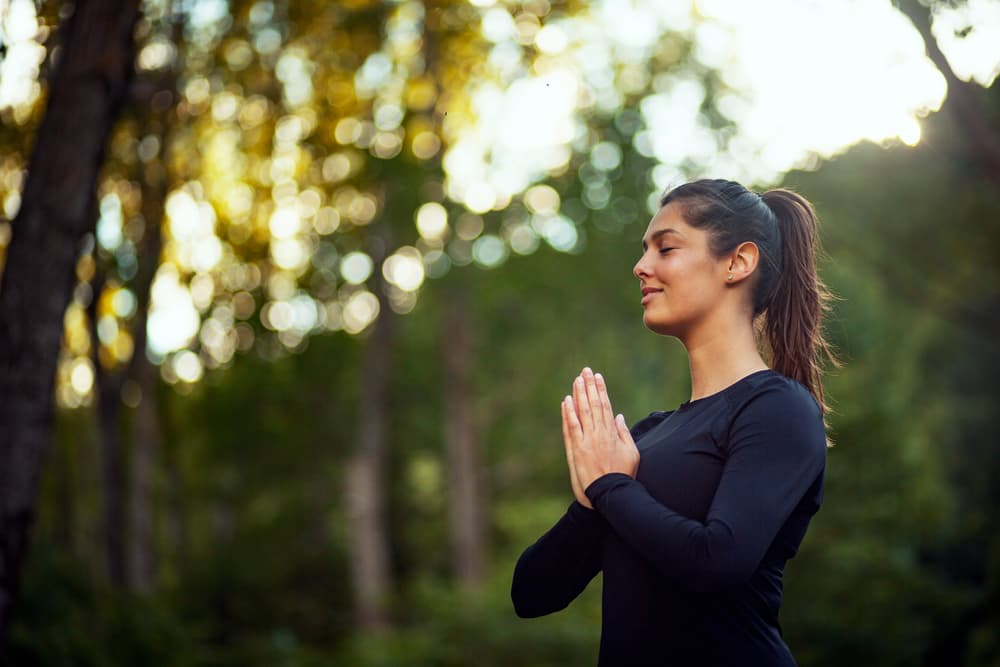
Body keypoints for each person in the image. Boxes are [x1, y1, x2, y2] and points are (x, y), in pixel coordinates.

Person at [510, 178, 841, 666]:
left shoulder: (779, 408)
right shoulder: (645, 438)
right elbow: (532, 594)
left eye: (665, 248)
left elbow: (718, 560)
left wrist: (610, 487)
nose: (641, 266)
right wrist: (588, 504)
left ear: (737, 262)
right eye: (645, 251)